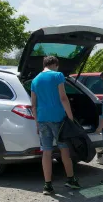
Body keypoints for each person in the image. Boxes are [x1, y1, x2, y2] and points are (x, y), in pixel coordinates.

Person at [30, 56, 79, 194]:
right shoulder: (58, 75)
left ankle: (47, 185)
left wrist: (37, 124)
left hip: (42, 119)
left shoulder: (35, 80)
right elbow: (63, 98)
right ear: (55, 65)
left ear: (44, 65)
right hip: (58, 118)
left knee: (46, 152)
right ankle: (71, 180)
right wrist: (70, 118)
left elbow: (33, 105)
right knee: (64, 150)